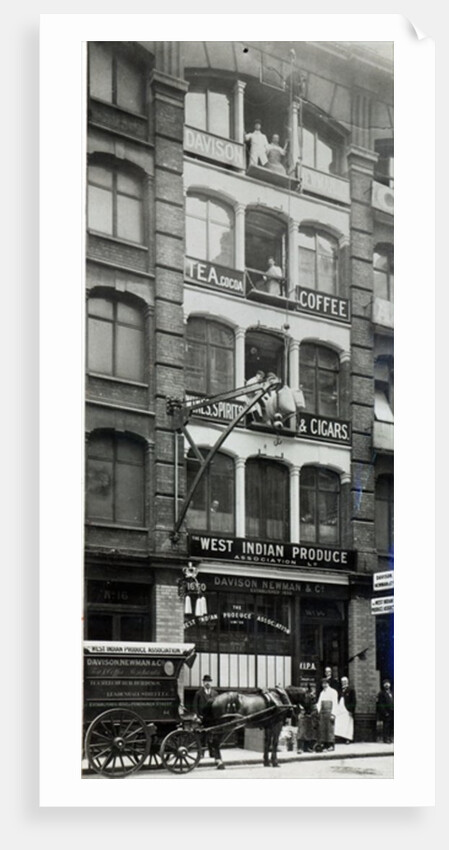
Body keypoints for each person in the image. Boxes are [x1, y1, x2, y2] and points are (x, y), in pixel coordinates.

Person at [316, 678, 339, 751]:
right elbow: (319, 703)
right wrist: (317, 711)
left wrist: (333, 714)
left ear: (328, 684)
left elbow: (335, 703)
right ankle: (324, 744)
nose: (324, 685)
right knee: (323, 729)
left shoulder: (333, 692)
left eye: (326, 683)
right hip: (323, 712)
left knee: (330, 729)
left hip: (329, 712)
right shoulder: (322, 693)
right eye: (323, 683)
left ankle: (331, 745)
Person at [296, 685, 318, 753]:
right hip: (303, 716)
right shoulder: (299, 697)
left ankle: (308, 747)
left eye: (305, 688)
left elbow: (313, 707)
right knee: (301, 732)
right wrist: (299, 713)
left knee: (308, 732)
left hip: (309, 716)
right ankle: (300, 748)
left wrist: (311, 714)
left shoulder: (310, 697)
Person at [335, 676, 356, 744]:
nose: (343, 683)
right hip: (340, 710)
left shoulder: (351, 690)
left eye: (345, 682)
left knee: (348, 724)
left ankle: (348, 738)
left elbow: (353, 701)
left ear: (347, 682)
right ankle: (341, 737)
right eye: (342, 682)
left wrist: (351, 710)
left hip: (347, 710)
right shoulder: (340, 690)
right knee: (340, 723)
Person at [376, 679, 394, 743]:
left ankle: (390, 737)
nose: (387, 685)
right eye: (385, 684)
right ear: (383, 685)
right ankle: (385, 739)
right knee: (386, 726)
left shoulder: (392, 692)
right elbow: (381, 704)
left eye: (388, 683)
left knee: (392, 725)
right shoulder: (381, 693)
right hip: (387, 712)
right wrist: (385, 712)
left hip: (392, 712)